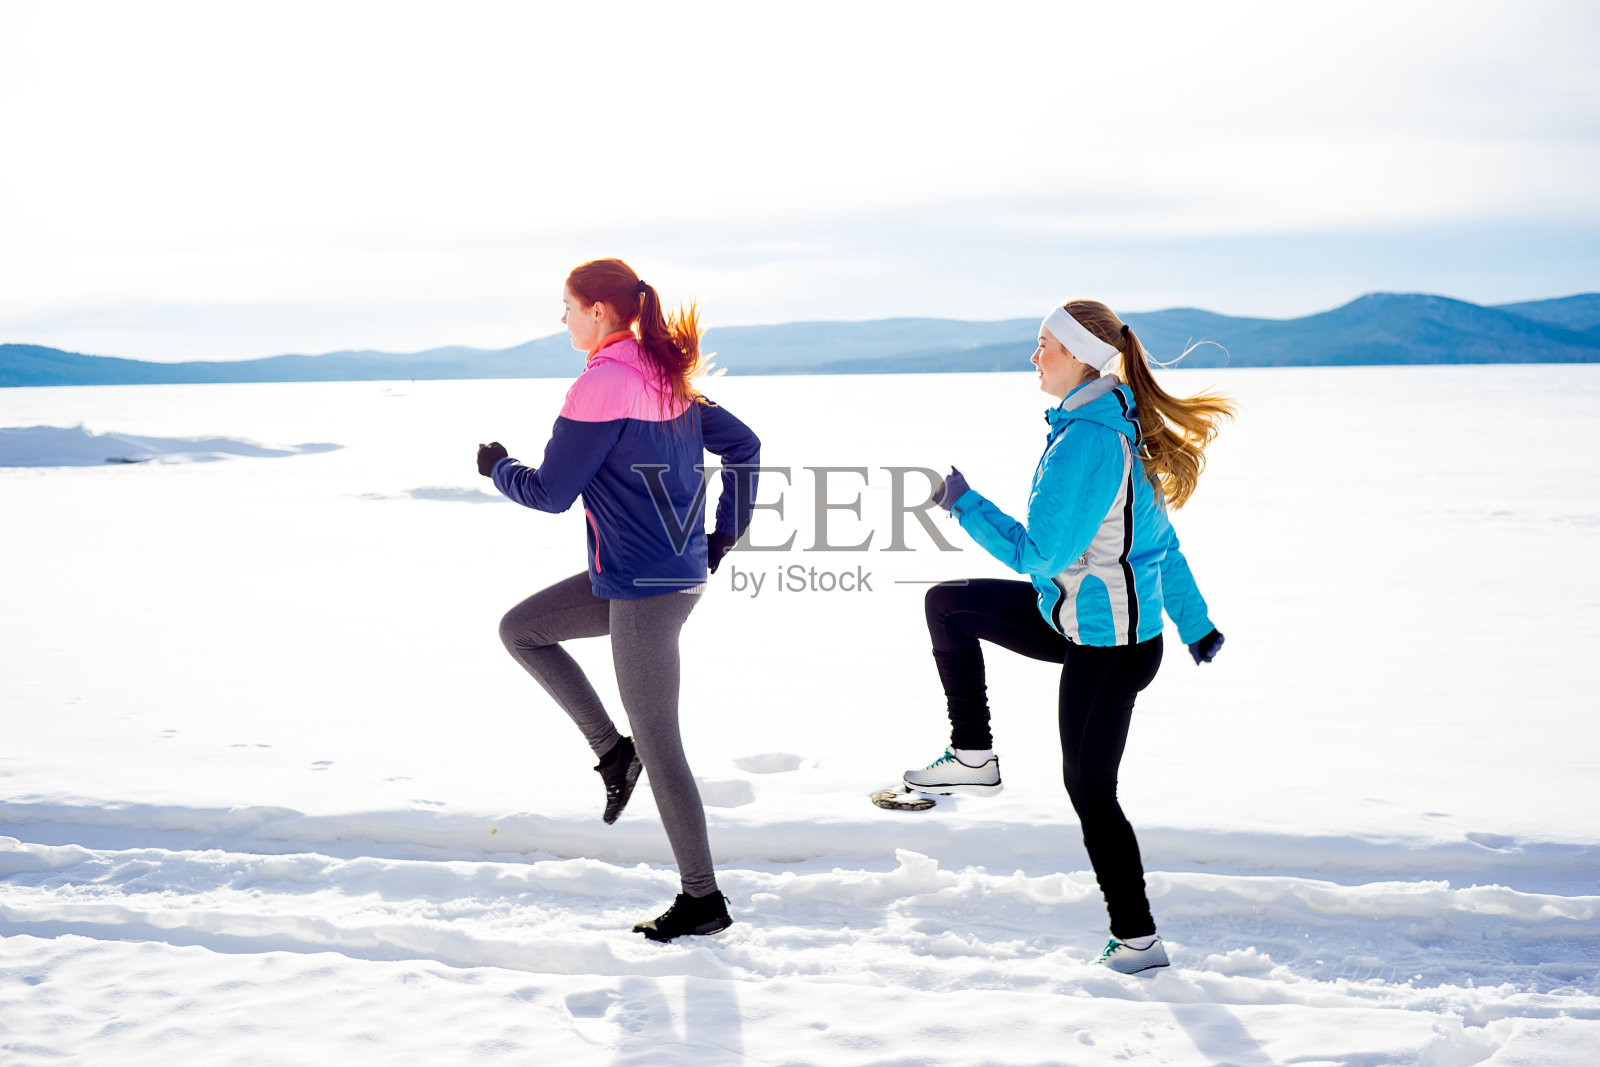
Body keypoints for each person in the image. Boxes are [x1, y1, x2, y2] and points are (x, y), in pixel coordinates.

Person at [901, 298, 1231, 974]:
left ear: (1080, 355)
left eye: (1044, 343)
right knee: (948, 606)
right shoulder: (1110, 424)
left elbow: (1037, 557)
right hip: (1079, 619)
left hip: (1108, 647)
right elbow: (1159, 543)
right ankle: (973, 754)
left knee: (1090, 789)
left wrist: (964, 502)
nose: (1034, 356)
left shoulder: (1087, 439)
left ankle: (1136, 938)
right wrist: (1196, 625)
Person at [477, 257, 759, 942]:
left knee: (662, 743)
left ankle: (703, 899)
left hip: (645, 587)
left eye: (568, 306)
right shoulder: (664, 373)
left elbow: (550, 491)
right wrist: (722, 537)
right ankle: (612, 752)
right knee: (523, 629)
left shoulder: (603, 383)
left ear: (599, 311)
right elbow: (745, 445)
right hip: (653, 576)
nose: (563, 319)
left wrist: (498, 469)